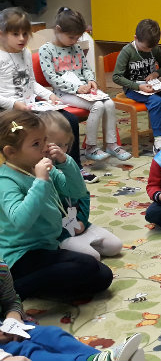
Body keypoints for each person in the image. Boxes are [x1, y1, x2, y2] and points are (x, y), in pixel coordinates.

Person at [0, 110, 113, 301]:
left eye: (45, 140)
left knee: (103, 276)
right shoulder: (6, 180)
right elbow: (21, 221)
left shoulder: (41, 167)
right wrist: (40, 182)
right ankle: (14, 290)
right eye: (36, 144)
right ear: (11, 152)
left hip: (48, 247)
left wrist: (65, 162)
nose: (45, 147)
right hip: (20, 257)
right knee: (87, 266)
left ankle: (38, 286)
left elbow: (76, 191)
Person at [0, 8, 96, 184]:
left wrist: (49, 95)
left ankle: (73, 165)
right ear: (2, 34)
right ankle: (36, 169)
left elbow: (31, 83)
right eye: (15, 34)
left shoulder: (25, 52)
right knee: (31, 132)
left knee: (69, 120)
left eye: (25, 34)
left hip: (31, 105)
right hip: (9, 112)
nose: (22, 38)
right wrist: (14, 104)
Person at [38, 7, 131, 162]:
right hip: (63, 93)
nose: (74, 41)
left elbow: (86, 68)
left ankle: (111, 144)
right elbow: (52, 78)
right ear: (58, 30)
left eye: (77, 38)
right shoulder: (46, 50)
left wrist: (91, 81)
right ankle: (90, 147)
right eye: (71, 37)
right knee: (98, 106)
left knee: (109, 103)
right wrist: (77, 88)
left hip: (84, 90)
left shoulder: (76, 47)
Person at [0, 260, 142, 361]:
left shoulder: (2, 269)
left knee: (51, 334)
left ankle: (98, 357)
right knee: (24, 350)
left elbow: (11, 300)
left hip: (6, 325)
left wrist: (13, 318)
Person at [39, 111, 122, 261]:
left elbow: (83, 194)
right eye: (57, 145)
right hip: (59, 233)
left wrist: (82, 221)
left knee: (115, 246)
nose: (62, 150)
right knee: (93, 257)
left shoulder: (66, 164)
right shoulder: (41, 172)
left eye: (66, 145)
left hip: (77, 222)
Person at [112, 19, 161, 153]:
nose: (148, 50)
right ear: (135, 38)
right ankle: (158, 139)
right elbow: (116, 77)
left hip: (153, 85)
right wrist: (138, 87)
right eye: (144, 48)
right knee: (156, 101)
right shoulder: (127, 52)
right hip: (133, 88)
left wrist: (156, 73)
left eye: (151, 48)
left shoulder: (155, 49)